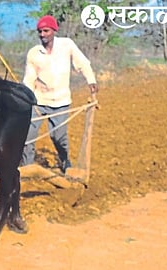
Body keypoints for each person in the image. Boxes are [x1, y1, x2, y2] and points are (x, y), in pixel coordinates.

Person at [21, 15, 98, 173]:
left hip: (61, 102)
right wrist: (26, 97)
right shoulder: (34, 53)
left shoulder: (66, 45)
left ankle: (65, 163)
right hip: (39, 102)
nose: (43, 34)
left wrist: (91, 80)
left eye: (46, 31)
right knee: (28, 136)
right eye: (40, 32)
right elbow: (29, 78)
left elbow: (82, 63)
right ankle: (26, 168)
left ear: (54, 31)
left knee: (58, 137)